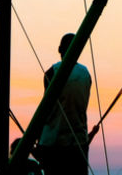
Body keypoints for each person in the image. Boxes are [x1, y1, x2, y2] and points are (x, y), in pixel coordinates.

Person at [37, 33, 92, 175]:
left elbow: (45, 110)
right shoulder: (85, 74)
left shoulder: (52, 72)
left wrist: (37, 138)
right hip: (79, 141)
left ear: (60, 50)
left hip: (53, 143)